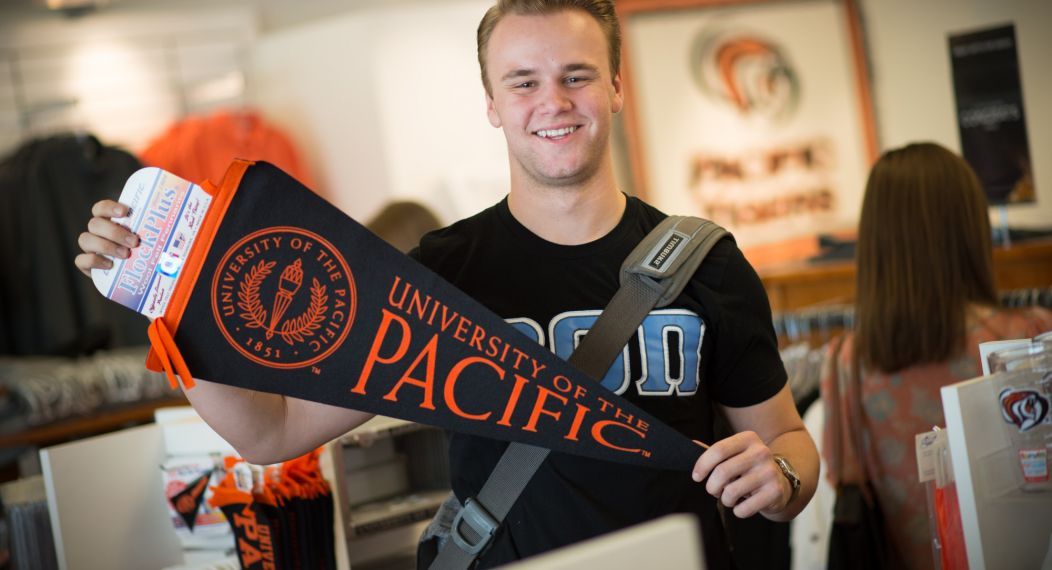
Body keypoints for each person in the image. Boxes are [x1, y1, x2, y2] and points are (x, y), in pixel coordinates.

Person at [75, 1, 818, 567]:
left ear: (616, 88)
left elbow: (788, 443)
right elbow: (270, 431)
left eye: (577, 76)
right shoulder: (438, 273)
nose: (553, 102)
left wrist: (782, 475)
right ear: (493, 104)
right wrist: (162, 291)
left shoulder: (707, 263)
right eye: (523, 82)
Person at [820, 142, 1052, 569]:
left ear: (875, 242)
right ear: (968, 226)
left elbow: (845, 483)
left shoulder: (846, 364)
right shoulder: (1032, 336)